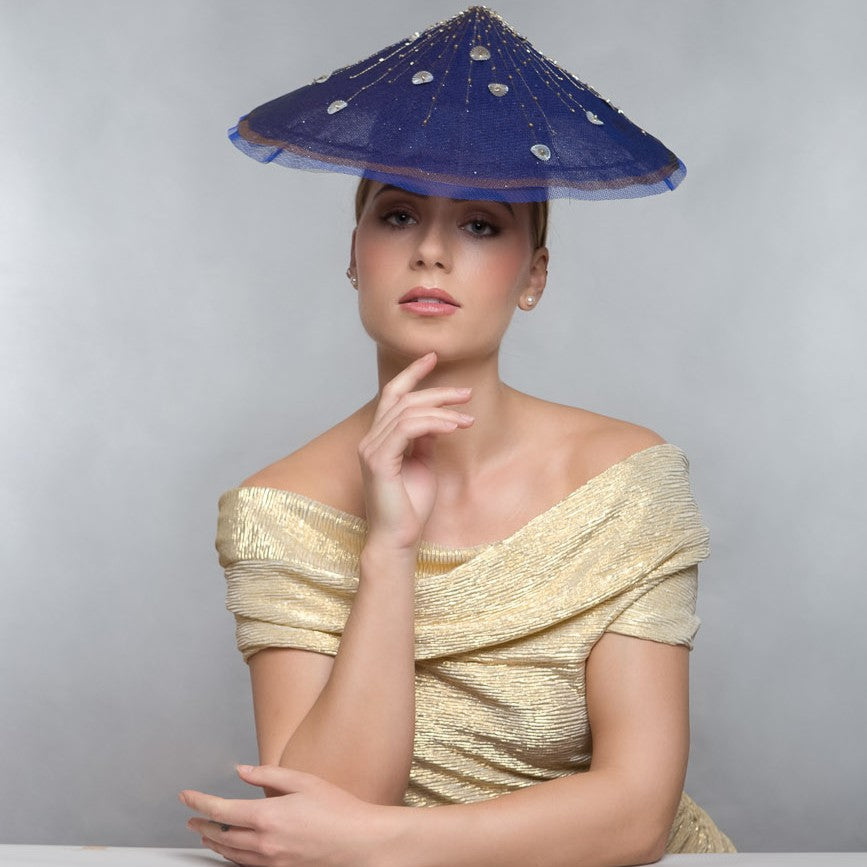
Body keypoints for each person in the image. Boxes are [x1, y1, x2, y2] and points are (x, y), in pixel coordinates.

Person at [180, 7, 735, 865]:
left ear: (533, 276)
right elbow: (321, 813)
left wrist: (383, 839)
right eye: (398, 216)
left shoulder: (623, 476)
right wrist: (388, 549)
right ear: (354, 254)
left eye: (480, 225)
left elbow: (635, 816)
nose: (432, 250)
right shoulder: (277, 508)